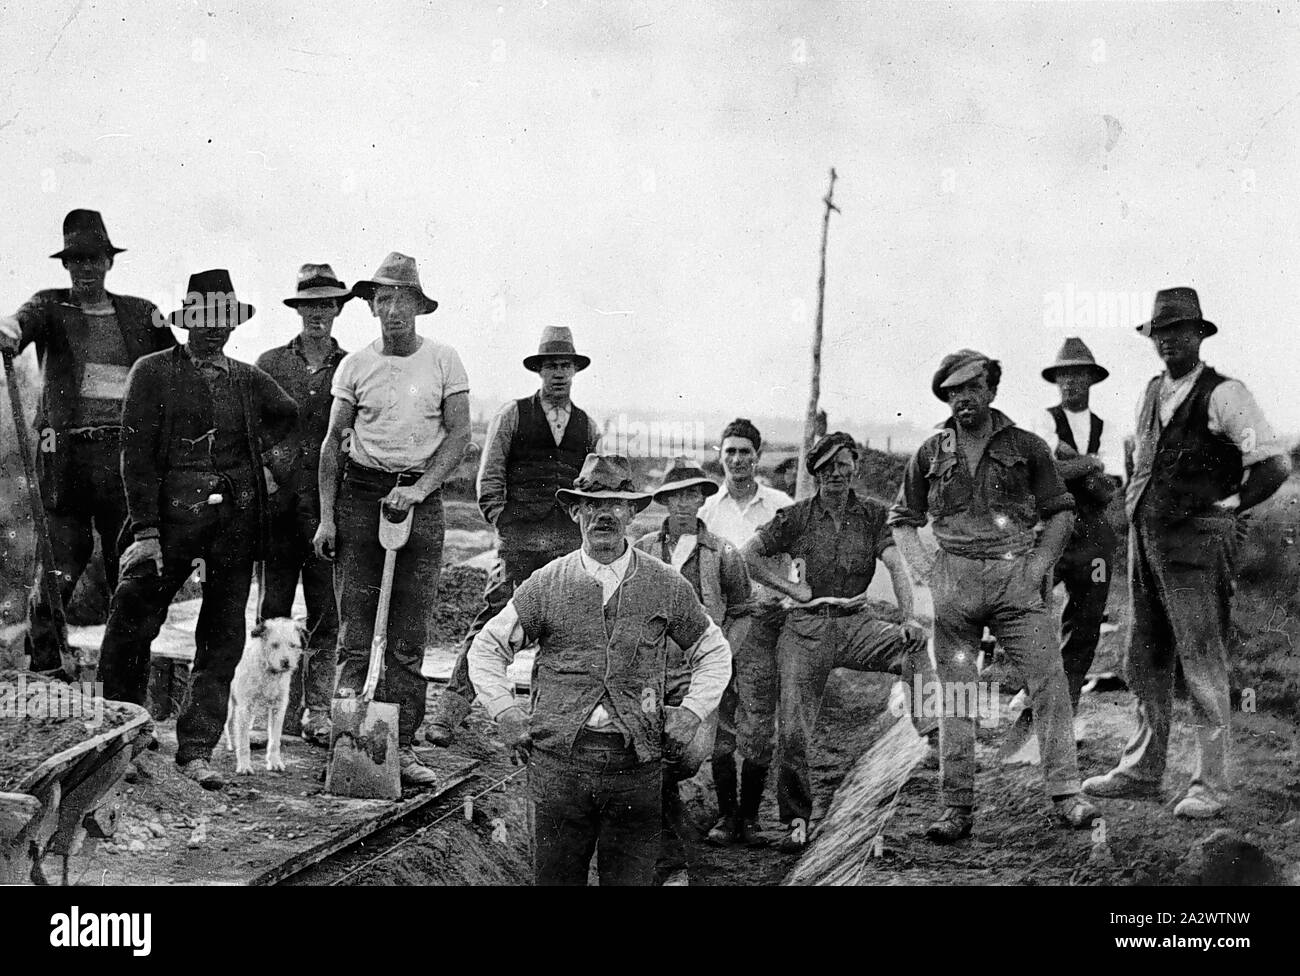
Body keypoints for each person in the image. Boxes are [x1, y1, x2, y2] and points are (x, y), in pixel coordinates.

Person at [468, 454, 732, 886]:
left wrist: (691, 712)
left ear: (632, 512)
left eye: (614, 503)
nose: (603, 514)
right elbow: (487, 648)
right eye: (591, 504)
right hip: (561, 768)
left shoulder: (664, 583)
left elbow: (713, 649)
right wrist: (505, 711)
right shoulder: (548, 583)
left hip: (635, 768)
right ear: (576, 512)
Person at [1083, 288, 1289, 819]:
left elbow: (1272, 465)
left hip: (1199, 545)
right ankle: (1141, 772)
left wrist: (1232, 507)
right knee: (1143, 658)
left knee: (1201, 663)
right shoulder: (1151, 392)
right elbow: (1141, 464)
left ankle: (1211, 786)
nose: (1169, 341)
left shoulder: (1226, 394)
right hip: (1147, 541)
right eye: (1160, 333)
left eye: (1179, 331)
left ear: (1199, 335)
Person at [97, 270, 297, 790]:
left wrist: (271, 468)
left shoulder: (248, 379)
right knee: (132, 621)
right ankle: (123, 738)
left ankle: (197, 749)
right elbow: (134, 457)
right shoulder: (153, 373)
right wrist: (144, 532)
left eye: (222, 320)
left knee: (223, 638)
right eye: (203, 320)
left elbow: (289, 417)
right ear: (188, 322)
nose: (214, 330)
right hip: (165, 524)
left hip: (233, 528)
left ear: (232, 324)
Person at [889, 350, 1100, 841]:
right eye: (953, 391)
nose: (963, 398)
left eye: (972, 388)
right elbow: (903, 519)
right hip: (954, 584)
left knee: (1049, 680)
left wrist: (1038, 567)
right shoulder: (930, 452)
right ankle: (955, 806)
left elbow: (1061, 511)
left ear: (991, 390)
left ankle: (1067, 794)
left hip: (1015, 581)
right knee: (959, 693)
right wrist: (925, 569)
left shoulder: (1027, 446)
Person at [313, 252, 471, 788]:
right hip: (361, 496)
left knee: (407, 636)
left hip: (420, 500)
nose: (393, 309)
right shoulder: (355, 365)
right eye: (383, 299)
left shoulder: (444, 361)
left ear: (418, 307)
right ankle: (346, 749)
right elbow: (333, 444)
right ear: (372, 307)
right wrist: (327, 519)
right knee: (355, 632)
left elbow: (458, 436)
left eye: (402, 299)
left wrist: (421, 489)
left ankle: (399, 750)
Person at [0, 209, 176, 671]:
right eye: (76, 260)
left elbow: (177, 363)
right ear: (65, 265)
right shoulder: (50, 306)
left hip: (126, 457)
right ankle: (46, 665)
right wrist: (9, 331)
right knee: (58, 561)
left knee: (131, 564)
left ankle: (125, 667)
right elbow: (21, 323)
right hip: (67, 457)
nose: (85, 268)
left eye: (93, 259)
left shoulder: (142, 313)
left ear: (109, 262)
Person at [743, 432, 936, 852]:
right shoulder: (793, 518)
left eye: (843, 465)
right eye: (827, 466)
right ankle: (796, 820)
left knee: (914, 650)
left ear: (855, 469)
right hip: (805, 630)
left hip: (856, 621)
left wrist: (909, 616)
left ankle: (933, 733)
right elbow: (749, 556)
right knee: (793, 730)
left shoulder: (872, 514)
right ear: (815, 472)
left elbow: (894, 565)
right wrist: (791, 591)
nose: (836, 473)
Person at [425, 326, 599, 746]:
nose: (558, 374)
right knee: (491, 624)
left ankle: (550, 722)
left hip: (565, 546)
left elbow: (591, 488)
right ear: (538, 371)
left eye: (565, 366)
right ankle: (448, 715)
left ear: (575, 371)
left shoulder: (587, 426)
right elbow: (490, 478)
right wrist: (505, 524)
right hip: (519, 542)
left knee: (563, 631)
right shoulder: (513, 415)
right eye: (550, 366)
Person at [633, 458, 751, 885]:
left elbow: (742, 612)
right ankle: (670, 864)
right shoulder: (642, 550)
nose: (684, 503)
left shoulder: (724, 554)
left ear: (702, 498)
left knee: (685, 757)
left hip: (698, 682)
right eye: (675, 495)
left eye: (692, 494)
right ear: (663, 501)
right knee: (647, 761)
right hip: (647, 679)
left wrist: (718, 662)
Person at [1006, 338, 1123, 746]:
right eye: (1064, 375)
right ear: (1056, 381)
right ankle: (1032, 692)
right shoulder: (1042, 421)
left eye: (1078, 375)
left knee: (1085, 624)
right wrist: (1088, 465)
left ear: (1092, 379)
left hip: (1094, 540)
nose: (1071, 382)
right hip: (1049, 531)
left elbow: (1109, 490)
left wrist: (1080, 467)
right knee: (1028, 611)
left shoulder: (1108, 429)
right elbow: (1046, 470)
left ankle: (1062, 712)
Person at [254, 264, 352, 745]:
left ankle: (317, 711)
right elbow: (249, 430)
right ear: (298, 310)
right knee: (271, 611)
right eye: (310, 305)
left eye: (327, 305)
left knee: (326, 614)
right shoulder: (270, 364)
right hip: (276, 512)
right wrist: (267, 476)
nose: (319, 314)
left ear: (338, 309)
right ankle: (265, 706)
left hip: (327, 513)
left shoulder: (353, 366)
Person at [697, 418, 793, 845]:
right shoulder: (707, 510)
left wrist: (785, 598)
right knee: (720, 719)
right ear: (720, 456)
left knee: (757, 722)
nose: (737, 460)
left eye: (745, 452)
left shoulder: (779, 505)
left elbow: (798, 562)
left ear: (758, 455)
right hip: (718, 629)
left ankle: (751, 818)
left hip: (764, 625)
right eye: (730, 451)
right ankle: (726, 816)